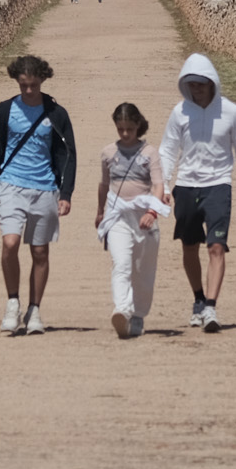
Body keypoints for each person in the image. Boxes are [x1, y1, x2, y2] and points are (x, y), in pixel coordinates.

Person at [0, 53, 77, 335]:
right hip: (11, 185)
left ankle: (34, 309)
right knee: (10, 243)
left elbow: (68, 155)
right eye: (23, 85)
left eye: (33, 85)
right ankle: (13, 302)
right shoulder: (4, 110)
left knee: (40, 251)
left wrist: (66, 193)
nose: (29, 90)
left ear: (42, 80)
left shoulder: (56, 113)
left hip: (44, 188)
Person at [159, 53, 236, 332]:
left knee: (216, 246)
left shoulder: (231, 112)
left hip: (218, 185)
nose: (197, 89)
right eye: (191, 84)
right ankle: (199, 299)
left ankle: (211, 307)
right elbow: (168, 150)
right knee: (189, 246)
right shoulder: (180, 112)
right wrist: (164, 184)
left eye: (201, 84)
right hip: (186, 186)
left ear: (212, 83)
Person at [95, 102, 166, 338]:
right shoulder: (108, 153)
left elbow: (158, 185)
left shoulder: (150, 153)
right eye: (120, 129)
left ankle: (138, 314)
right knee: (121, 264)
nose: (125, 134)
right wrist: (100, 212)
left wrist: (152, 213)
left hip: (144, 217)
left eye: (130, 129)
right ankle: (122, 310)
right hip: (118, 216)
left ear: (138, 125)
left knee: (143, 270)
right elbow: (104, 185)